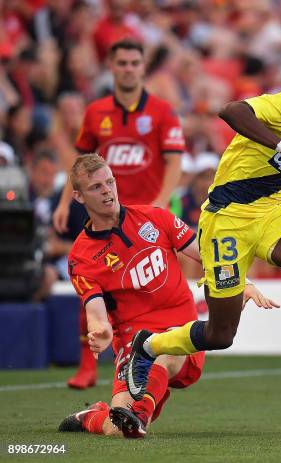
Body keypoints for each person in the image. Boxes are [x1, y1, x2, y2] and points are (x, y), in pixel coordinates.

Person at [124, 51, 281, 405]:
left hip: (271, 210)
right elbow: (231, 110)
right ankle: (146, 346)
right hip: (227, 219)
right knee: (220, 334)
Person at [57, 154, 277, 438]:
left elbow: (207, 256)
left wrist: (241, 282)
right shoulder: (81, 257)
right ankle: (92, 416)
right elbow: (96, 313)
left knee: (164, 350)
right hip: (133, 342)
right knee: (116, 430)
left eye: (110, 182)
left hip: (182, 330)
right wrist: (100, 331)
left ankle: (141, 414)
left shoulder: (154, 217)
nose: (107, 191)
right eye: (96, 187)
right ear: (78, 196)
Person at [52, 38, 185, 389]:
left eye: (134, 62)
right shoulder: (96, 113)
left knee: (153, 284)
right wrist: (66, 202)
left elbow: (175, 161)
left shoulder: (162, 111)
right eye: (122, 62)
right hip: (100, 219)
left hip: (145, 216)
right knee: (93, 287)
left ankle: (165, 350)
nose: (128, 68)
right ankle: (89, 365)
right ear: (111, 67)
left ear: (143, 68)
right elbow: (80, 167)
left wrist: (160, 201)